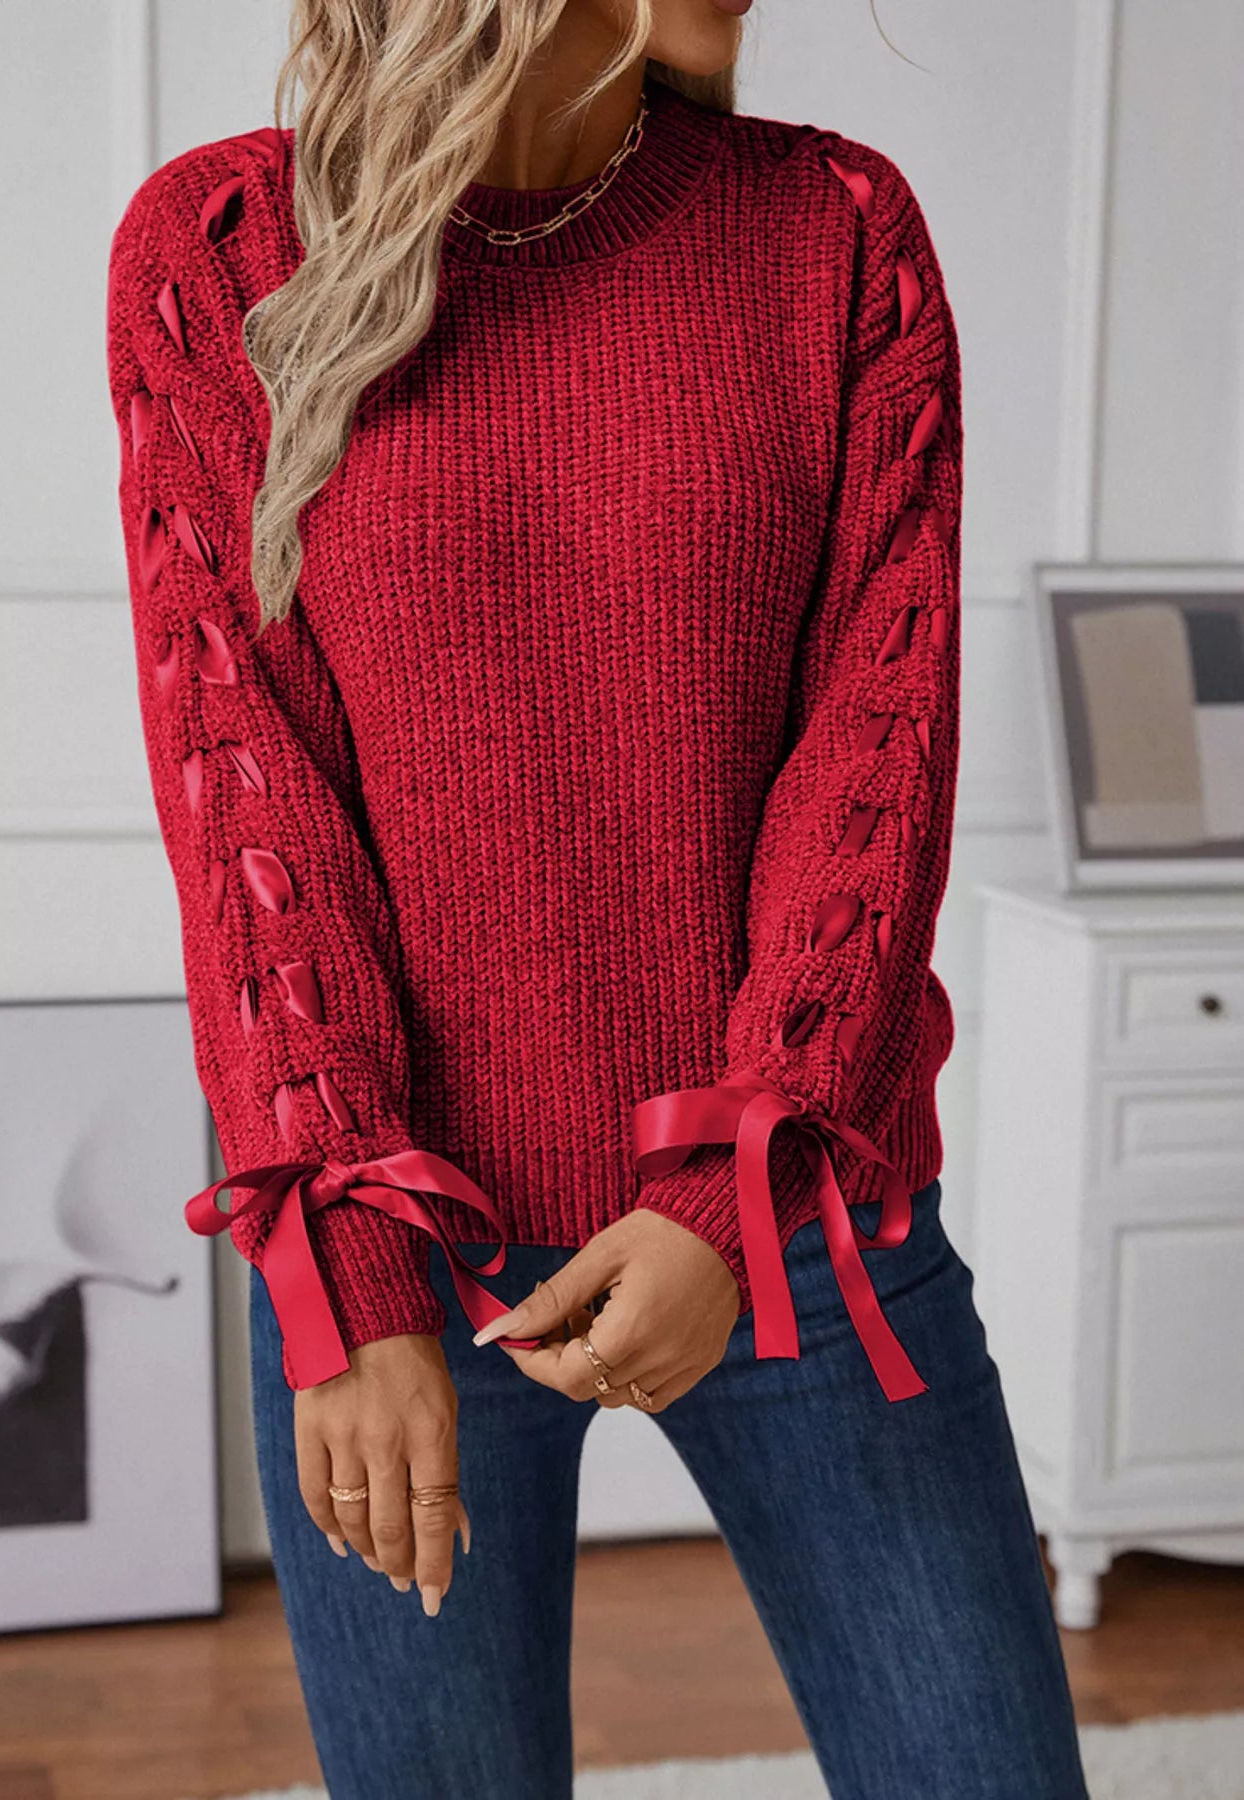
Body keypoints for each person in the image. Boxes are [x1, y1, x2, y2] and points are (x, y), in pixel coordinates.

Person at [105, 2, 1090, 1794]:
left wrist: (730, 1192)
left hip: (795, 1207)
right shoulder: (222, 247)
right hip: (405, 1237)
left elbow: (875, 744)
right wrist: (353, 1275)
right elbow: (241, 785)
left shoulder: (835, 232)